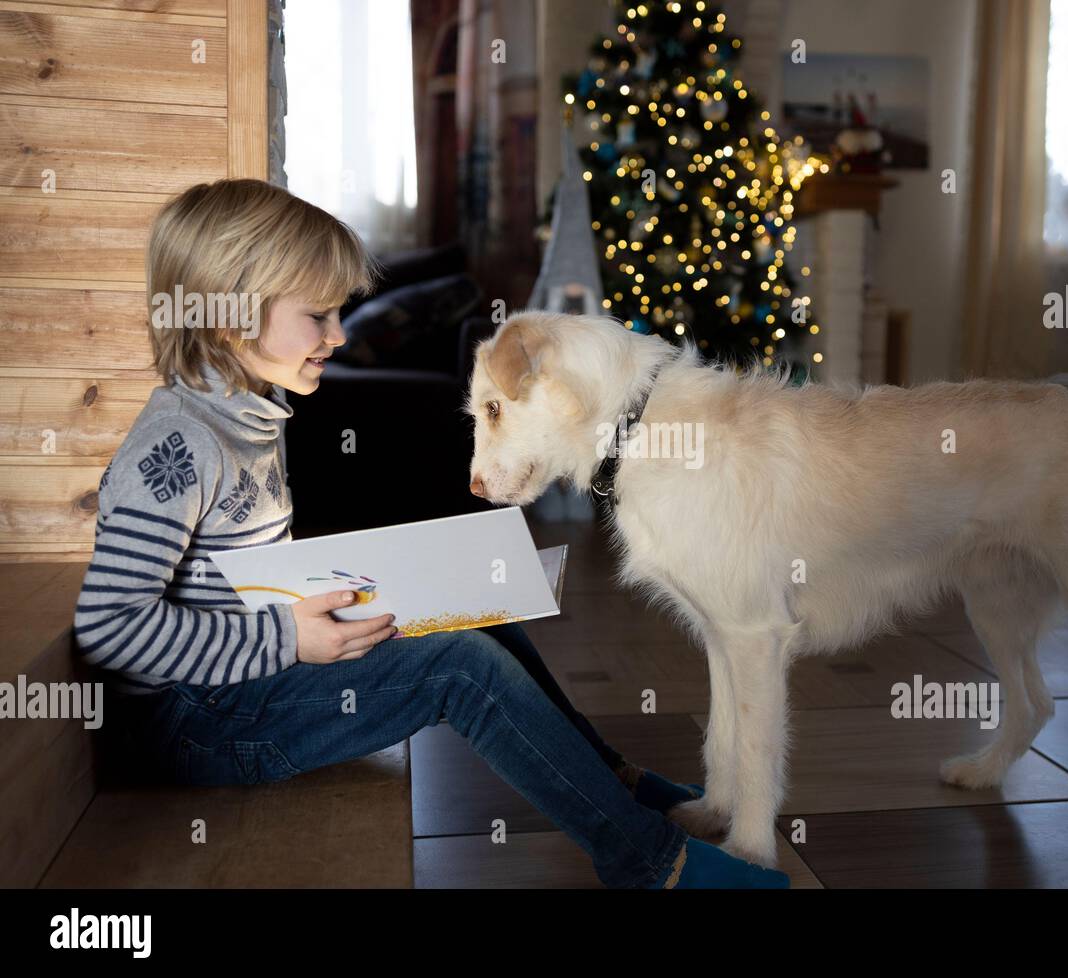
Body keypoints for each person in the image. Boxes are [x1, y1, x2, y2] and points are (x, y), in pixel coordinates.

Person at [72, 178, 789, 890]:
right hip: (201, 723)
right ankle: (652, 864)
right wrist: (286, 638)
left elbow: (239, 578)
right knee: (459, 667)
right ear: (229, 314)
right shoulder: (175, 447)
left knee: (482, 614)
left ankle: (610, 782)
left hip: (244, 680)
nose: (338, 334)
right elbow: (108, 628)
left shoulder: (247, 413)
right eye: (317, 315)